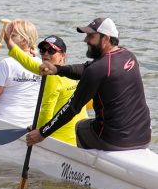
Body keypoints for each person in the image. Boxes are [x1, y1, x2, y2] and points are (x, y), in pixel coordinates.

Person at [26, 17, 152, 151]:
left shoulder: (98, 69)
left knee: (80, 126)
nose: (86, 40)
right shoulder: (128, 55)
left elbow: (72, 107)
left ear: (106, 39)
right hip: (144, 136)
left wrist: (42, 133)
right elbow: (87, 68)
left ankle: (82, 169)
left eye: (91, 36)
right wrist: (57, 69)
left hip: (114, 141)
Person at [5, 24, 88, 145]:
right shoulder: (71, 73)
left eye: (51, 50)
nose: (45, 54)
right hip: (78, 138)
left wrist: (37, 131)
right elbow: (30, 64)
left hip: (59, 141)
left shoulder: (51, 78)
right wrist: (9, 43)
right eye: (43, 50)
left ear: (62, 55)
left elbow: (46, 112)